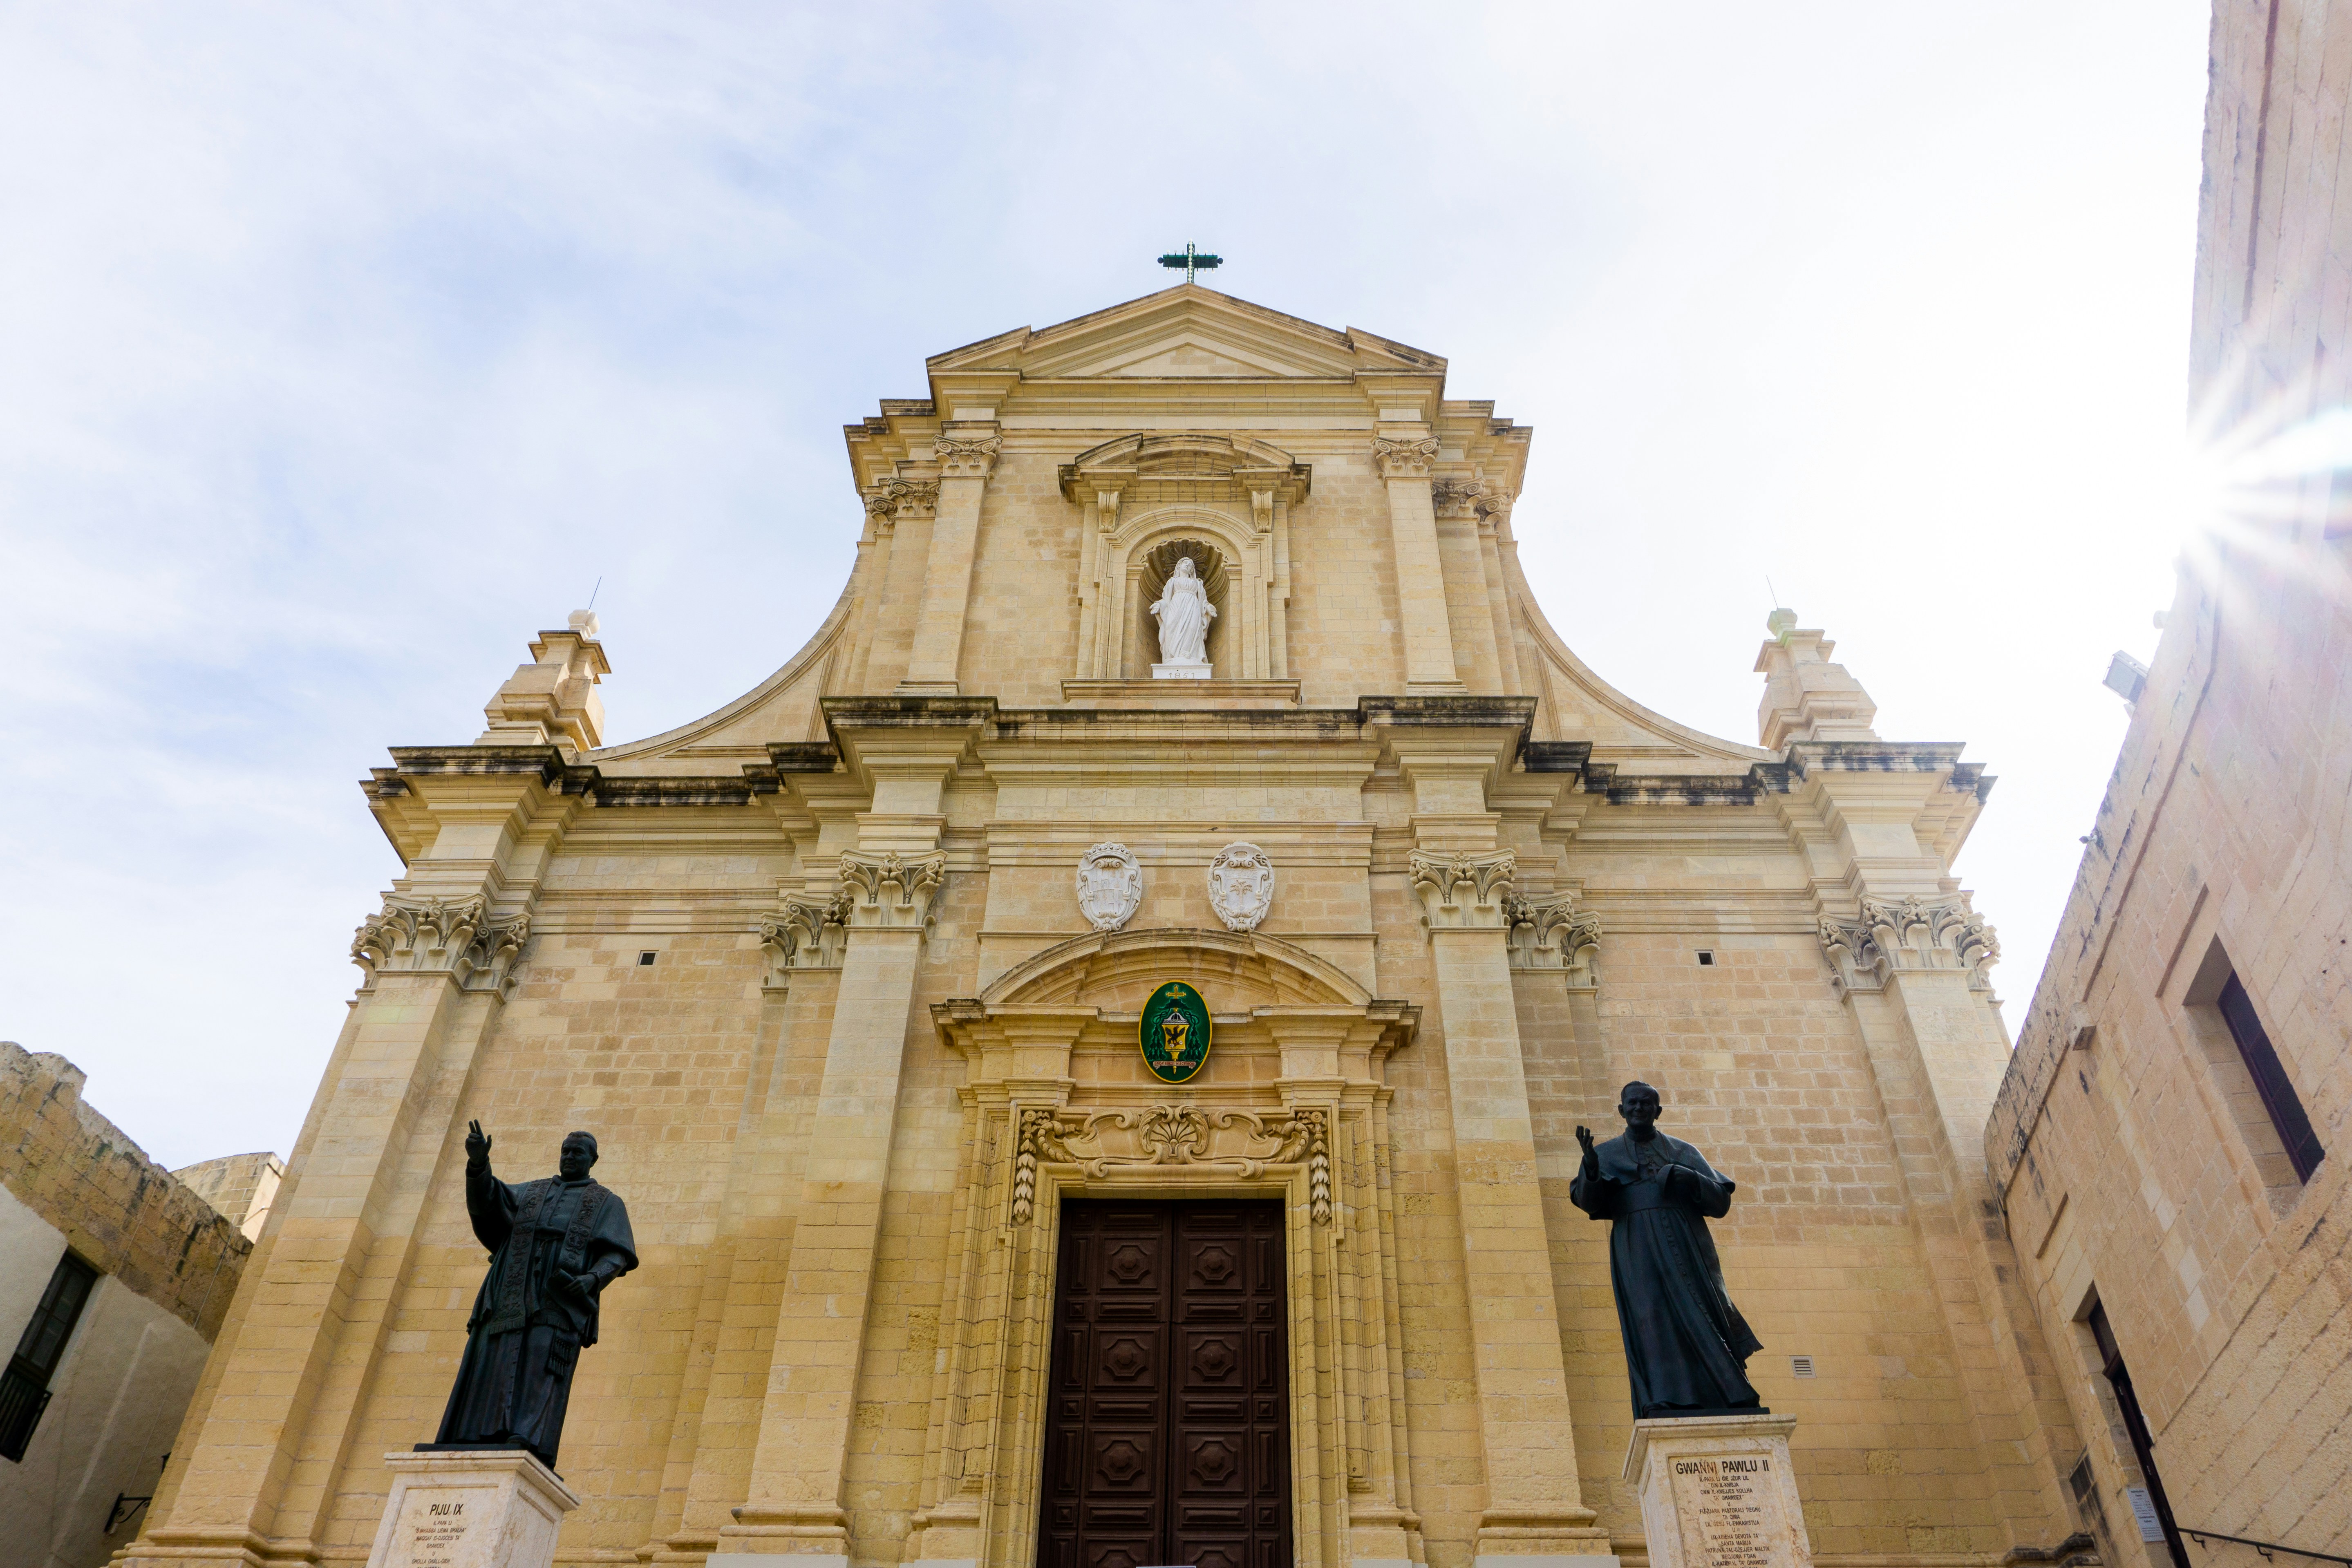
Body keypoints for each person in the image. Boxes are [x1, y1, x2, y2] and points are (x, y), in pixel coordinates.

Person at [431, 1124, 636, 1470]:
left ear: (593, 1160)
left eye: (578, 1153)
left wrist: (591, 1279)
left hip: (560, 1295)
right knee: (495, 1354)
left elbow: (617, 1255)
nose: (570, 1157)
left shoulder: (606, 1202)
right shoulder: (532, 1191)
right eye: (566, 1151)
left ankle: (526, 1435)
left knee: (542, 1359)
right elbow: (490, 1201)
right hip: (512, 1284)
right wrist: (479, 1165)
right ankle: (477, 1431)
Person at [1570, 1080, 1765, 1418]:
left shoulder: (1683, 1150)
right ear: (1621, 1110)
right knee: (1651, 1317)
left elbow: (1720, 1203)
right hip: (1636, 1246)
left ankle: (1730, 1392)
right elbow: (1589, 1202)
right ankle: (1663, 1396)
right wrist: (1590, 1168)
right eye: (1631, 1104)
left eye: (1646, 1103)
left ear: (1657, 1111)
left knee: (1701, 1310)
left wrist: (1691, 1179)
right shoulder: (1604, 1154)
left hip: (1685, 1241)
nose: (1638, 1109)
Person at [1150, 555, 1216, 666]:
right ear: (1179, 566)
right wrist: (1159, 605)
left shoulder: (1198, 583)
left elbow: (1203, 600)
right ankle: (1173, 655)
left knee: (1192, 627)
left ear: (1192, 570)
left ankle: (1189, 654)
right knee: (1172, 627)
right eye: (1186, 563)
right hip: (1176, 605)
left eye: (1190, 565)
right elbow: (1166, 599)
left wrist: (1208, 607)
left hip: (1192, 606)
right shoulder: (1172, 582)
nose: (1188, 565)